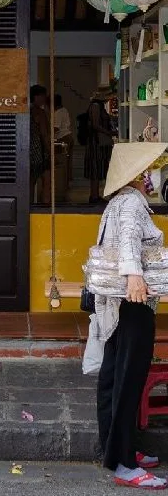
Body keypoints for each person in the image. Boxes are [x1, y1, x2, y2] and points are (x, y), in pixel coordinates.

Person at [95, 142, 168, 489]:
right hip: (133, 300)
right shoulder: (132, 205)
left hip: (119, 301)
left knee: (113, 374)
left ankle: (114, 449)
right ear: (141, 175)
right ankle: (124, 462)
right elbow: (127, 242)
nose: (155, 173)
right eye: (150, 168)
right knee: (127, 378)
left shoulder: (120, 201)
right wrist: (134, 276)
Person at [84, 88, 114, 205]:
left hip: (97, 142)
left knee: (96, 168)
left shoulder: (98, 106)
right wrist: (109, 132)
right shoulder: (96, 106)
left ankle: (95, 195)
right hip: (96, 142)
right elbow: (96, 125)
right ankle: (94, 196)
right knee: (96, 168)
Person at [30, 85, 51, 205]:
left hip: (30, 151)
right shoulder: (40, 112)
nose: (44, 98)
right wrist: (49, 151)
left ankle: (30, 206)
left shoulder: (27, 110)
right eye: (43, 96)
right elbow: (44, 134)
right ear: (36, 96)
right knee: (46, 180)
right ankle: (45, 206)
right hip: (40, 151)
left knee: (31, 181)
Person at [54, 94, 74, 185]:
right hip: (68, 135)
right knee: (67, 161)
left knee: (62, 161)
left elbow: (56, 128)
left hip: (63, 137)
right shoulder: (64, 110)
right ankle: (66, 182)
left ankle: (62, 183)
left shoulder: (58, 112)